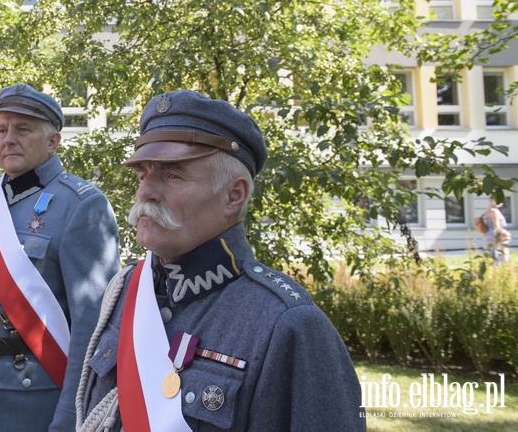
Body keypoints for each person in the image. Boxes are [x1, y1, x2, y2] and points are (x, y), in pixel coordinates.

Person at [76, 90, 365, 431]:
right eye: (142, 174)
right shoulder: (126, 290)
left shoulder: (286, 324)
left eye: (172, 175)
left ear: (234, 195)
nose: (144, 192)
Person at [0, 83, 121, 431]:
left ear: (53, 141)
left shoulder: (81, 205)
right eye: (1, 130)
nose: (9, 139)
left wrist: (71, 415)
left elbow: (94, 325)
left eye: (23, 129)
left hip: (24, 397)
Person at [482, 196, 511, 265]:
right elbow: (496, 225)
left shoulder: (488, 210)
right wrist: (505, 233)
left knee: (491, 253)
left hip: (489, 234)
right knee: (499, 253)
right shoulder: (494, 211)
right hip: (495, 234)